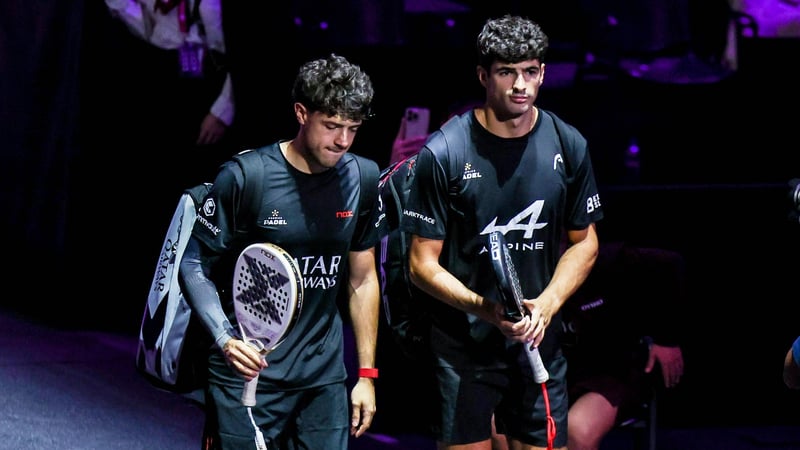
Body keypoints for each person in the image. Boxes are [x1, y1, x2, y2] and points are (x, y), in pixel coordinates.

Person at [401, 14, 604, 450]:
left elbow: (585, 241)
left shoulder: (568, 143)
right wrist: (488, 310)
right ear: (483, 76)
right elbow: (420, 264)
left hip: (539, 344)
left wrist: (548, 304)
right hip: (463, 349)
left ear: (543, 73)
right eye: (506, 72)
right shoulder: (445, 151)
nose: (520, 85)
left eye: (530, 71)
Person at [179, 54, 382, 449]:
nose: (342, 141)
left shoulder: (362, 177)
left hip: (322, 379)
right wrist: (225, 339)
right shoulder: (246, 177)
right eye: (332, 126)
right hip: (248, 373)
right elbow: (192, 263)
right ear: (301, 113)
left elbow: (362, 279)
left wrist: (366, 374)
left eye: (353, 129)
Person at [562, 242, 686, 450]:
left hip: (613, 372)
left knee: (577, 430)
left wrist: (666, 339)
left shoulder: (609, 261)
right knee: (505, 427)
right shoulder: (530, 271)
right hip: (555, 373)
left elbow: (670, 265)